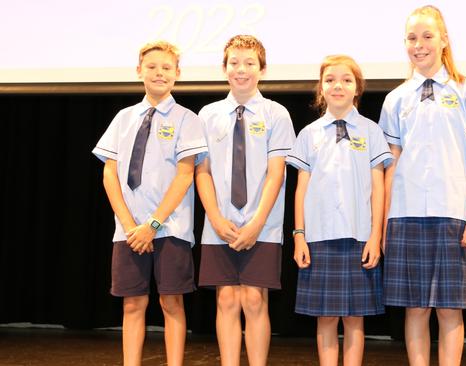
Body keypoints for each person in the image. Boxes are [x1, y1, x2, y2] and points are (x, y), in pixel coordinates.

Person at [379, 5, 466, 366]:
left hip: (453, 214)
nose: (419, 45)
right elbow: (392, 164)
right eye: (412, 38)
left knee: (450, 308)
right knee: (415, 308)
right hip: (405, 214)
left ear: (444, 41)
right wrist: (386, 221)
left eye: (427, 36)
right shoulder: (395, 99)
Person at [92, 40, 207, 366]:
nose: (159, 73)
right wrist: (131, 225)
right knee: (132, 304)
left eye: (167, 68)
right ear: (139, 70)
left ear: (177, 74)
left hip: (171, 229)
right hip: (127, 232)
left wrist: (153, 224)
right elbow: (109, 174)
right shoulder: (123, 118)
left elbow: (185, 176)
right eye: (153, 67)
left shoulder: (188, 119)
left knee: (172, 303)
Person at [196, 35, 296, 366]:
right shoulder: (207, 115)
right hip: (219, 225)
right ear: (224, 68)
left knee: (254, 299)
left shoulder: (276, 114)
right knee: (226, 299)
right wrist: (215, 218)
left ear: (262, 69)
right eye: (234, 63)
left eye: (249, 63)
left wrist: (256, 224)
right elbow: (202, 172)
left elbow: (276, 174)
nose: (241, 70)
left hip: (261, 225)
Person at [286, 54, 392, 366]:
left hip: (359, 236)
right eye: (330, 79)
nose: (338, 85)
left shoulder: (371, 132)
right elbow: (301, 189)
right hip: (318, 238)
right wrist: (299, 236)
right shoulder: (309, 134)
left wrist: (375, 237)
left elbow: (379, 189)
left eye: (346, 80)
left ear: (357, 88)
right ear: (321, 87)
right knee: (326, 317)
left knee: (355, 319)